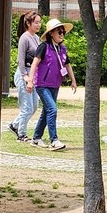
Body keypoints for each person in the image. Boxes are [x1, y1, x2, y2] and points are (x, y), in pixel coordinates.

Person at [26, 19, 77, 150]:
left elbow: (67, 65)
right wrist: (30, 81)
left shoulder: (62, 48)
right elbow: (34, 64)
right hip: (42, 84)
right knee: (52, 109)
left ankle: (36, 138)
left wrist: (73, 80)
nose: (62, 34)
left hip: (55, 85)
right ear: (51, 33)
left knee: (47, 111)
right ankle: (54, 140)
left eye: (63, 32)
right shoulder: (44, 47)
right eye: (59, 32)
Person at [8, 12, 42, 142]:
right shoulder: (24, 38)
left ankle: (14, 125)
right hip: (24, 75)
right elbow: (21, 60)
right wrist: (26, 77)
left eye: (39, 22)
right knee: (26, 107)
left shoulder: (36, 38)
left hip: (33, 75)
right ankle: (21, 134)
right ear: (28, 23)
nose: (39, 25)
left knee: (34, 106)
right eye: (36, 22)